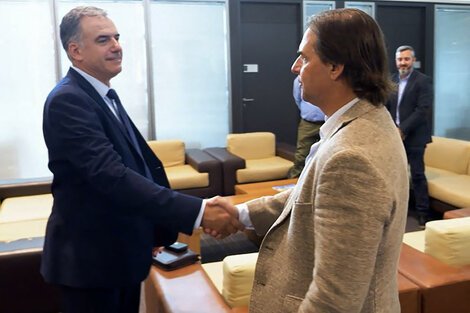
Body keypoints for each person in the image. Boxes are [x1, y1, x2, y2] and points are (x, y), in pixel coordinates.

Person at [41, 6, 242, 313]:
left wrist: (154, 230)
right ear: (75, 51)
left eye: (117, 37)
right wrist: (199, 212)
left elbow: (138, 168)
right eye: (103, 39)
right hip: (91, 264)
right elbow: (112, 176)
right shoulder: (68, 100)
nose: (117, 45)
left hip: (119, 253)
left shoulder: (104, 94)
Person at [208, 8, 409, 313]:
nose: (294, 67)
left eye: (304, 57)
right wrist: (241, 213)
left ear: (335, 66)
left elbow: (335, 301)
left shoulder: (351, 157)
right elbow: (310, 196)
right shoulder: (363, 122)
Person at [386, 45, 433, 227]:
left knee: (417, 175)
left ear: (413, 60)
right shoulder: (392, 81)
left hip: (415, 137)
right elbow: (387, 108)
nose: (403, 63)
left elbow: (422, 110)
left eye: (406, 59)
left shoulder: (423, 81)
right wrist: (393, 129)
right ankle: (396, 210)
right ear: (396, 61)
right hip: (395, 136)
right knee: (396, 174)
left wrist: (403, 129)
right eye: (400, 59)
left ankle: (423, 213)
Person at [288, 76, 325, 178]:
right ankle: (294, 182)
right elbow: (298, 99)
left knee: (327, 154)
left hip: (327, 122)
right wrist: (307, 111)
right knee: (301, 155)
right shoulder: (299, 79)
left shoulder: (328, 78)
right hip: (308, 123)